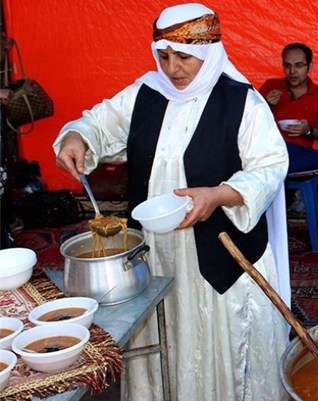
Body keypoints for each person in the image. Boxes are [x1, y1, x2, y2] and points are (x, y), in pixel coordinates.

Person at [53, 4, 290, 400]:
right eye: (163, 55)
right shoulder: (146, 93)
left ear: (209, 52)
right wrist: (77, 137)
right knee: (164, 327)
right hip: (158, 248)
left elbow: (269, 166)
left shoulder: (241, 102)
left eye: (184, 57)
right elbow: (96, 123)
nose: (173, 68)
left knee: (216, 338)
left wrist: (218, 195)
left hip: (220, 252)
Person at [259, 42, 318, 174]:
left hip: (298, 152)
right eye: (287, 65)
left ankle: (273, 173)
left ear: (310, 66)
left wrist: (309, 131)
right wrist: (266, 104)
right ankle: (274, 173)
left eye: (299, 65)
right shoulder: (271, 86)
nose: (292, 72)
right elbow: (247, 121)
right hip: (268, 148)